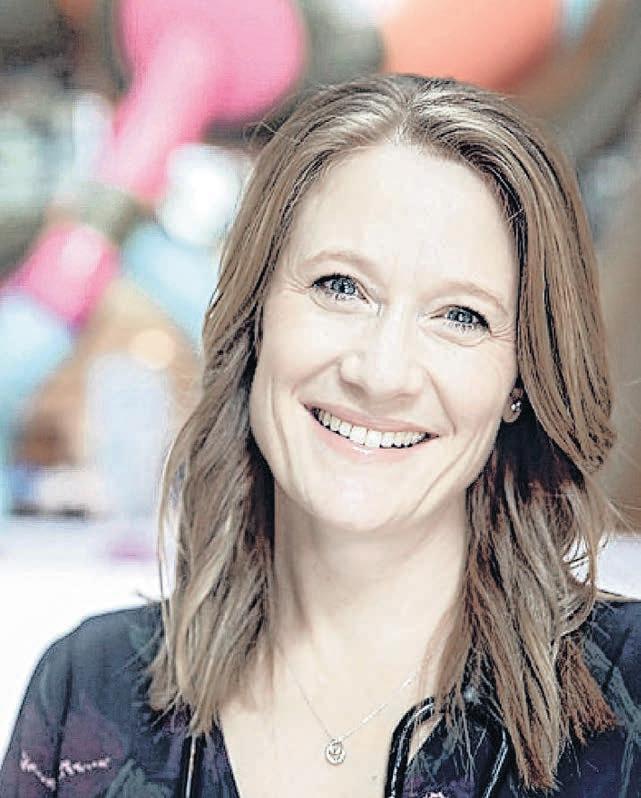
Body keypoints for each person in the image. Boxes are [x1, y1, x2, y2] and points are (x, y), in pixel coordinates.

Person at [2, 74, 640, 797]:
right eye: (341, 286)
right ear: (257, 315)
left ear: (519, 381)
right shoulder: (86, 692)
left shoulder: (630, 696)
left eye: (461, 316)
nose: (381, 373)